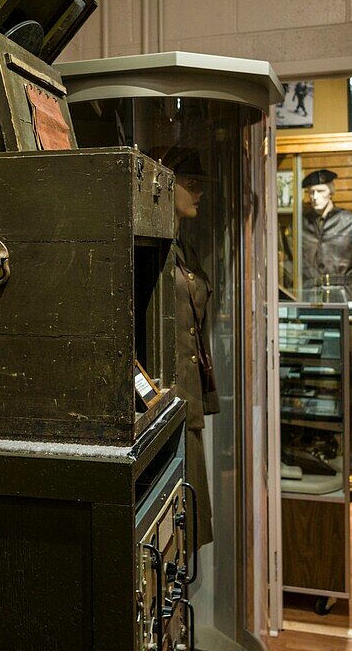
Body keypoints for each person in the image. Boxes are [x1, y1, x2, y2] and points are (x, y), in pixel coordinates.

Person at [300, 168, 352, 473]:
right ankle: (315, 449)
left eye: (320, 191)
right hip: (309, 309)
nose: (315, 197)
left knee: (348, 384)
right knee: (311, 382)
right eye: (311, 193)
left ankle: (349, 454)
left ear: (332, 191)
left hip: (345, 308)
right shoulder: (301, 225)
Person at [160, 146, 218, 550]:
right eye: (190, 183)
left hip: (189, 398)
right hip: (170, 399)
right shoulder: (155, 249)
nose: (198, 193)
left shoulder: (184, 251)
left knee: (188, 525)